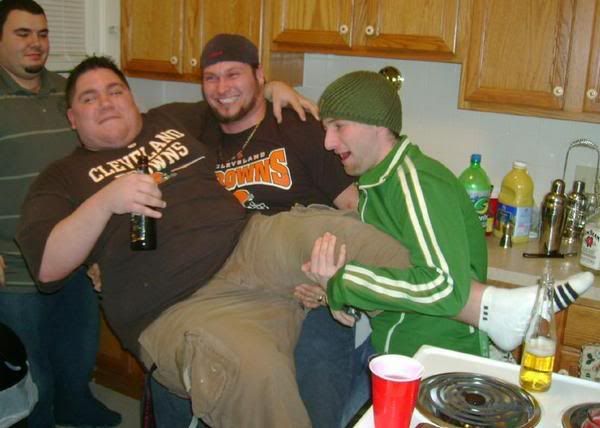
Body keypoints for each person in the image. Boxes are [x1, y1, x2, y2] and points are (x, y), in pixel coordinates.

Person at [301, 70, 594, 418]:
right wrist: (336, 295)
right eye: (326, 129)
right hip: (390, 352)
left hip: (436, 366)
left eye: (339, 126)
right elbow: (396, 275)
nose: (328, 142)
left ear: (376, 124)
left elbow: (443, 286)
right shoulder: (376, 186)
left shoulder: (416, 183)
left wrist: (344, 282)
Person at [151, 33, 359, 428]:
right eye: (211, 77)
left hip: (306, 290)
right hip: (231, 287)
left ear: (259, 75)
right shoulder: (196, 132)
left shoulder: (298, 127)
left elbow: (356, 209)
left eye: (234, 74)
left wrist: (334, 280)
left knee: (311, 401)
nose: (222, 88)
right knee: (172, 369)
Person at [0, 1, 121, 426]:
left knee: (78, 352)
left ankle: (76, 405)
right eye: (23, 33)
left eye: (43, 33)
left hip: (76, 255)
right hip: (16, 266)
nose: (36, 43)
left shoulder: (68, 93)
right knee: (33, 368)